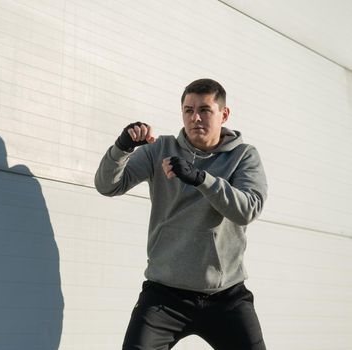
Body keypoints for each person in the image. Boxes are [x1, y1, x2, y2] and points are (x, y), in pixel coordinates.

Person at [94, 78, 267, 350]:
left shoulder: (243, 156)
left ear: (224, 114)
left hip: (226, 297)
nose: (195, 117)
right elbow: (108, 186)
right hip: (165, 296)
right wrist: (122, 148)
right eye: (188, 110)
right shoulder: (159, 150)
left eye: (205, 110)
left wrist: (201, 179)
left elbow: (248, 209)